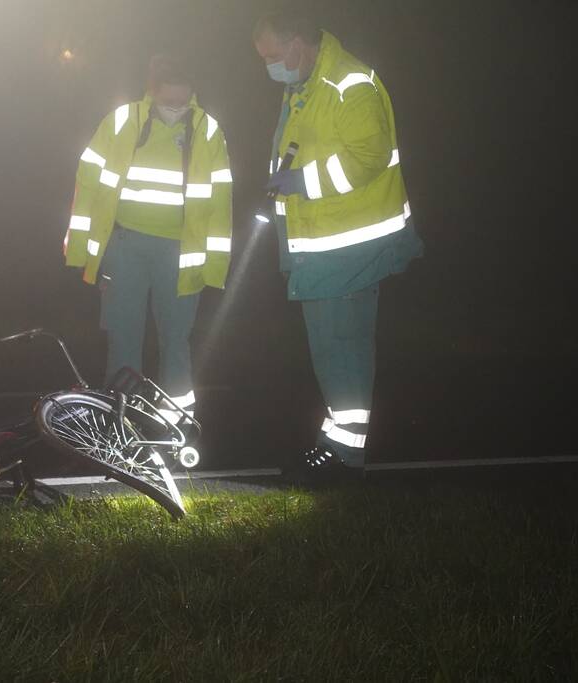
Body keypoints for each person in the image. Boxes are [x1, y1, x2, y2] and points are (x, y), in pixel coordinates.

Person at [254, 8, 424, 480]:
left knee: (340, 350)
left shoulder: (348, 84)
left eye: (272, 55)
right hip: (323, 244)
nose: (269, 65)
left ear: (296, 45)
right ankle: (338, 449)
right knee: (335, 351)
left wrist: (302, 182)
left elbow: (370, 155)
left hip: (347, 246)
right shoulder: (306, 86)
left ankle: (343, 458)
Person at [64, 55, 233, 425]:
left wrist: (215, 265)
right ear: (152, 90)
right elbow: (88, 180)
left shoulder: (207, 130)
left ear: (192, 90)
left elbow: (220, 201)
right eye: (166, 99)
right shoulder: (123, 121)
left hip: (180, 252)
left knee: (176, 339)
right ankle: (121, 418)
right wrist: (80, 248)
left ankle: (178, 422)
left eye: (181, 98)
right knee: (122, 335)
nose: (174, 105)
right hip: (125, 247)